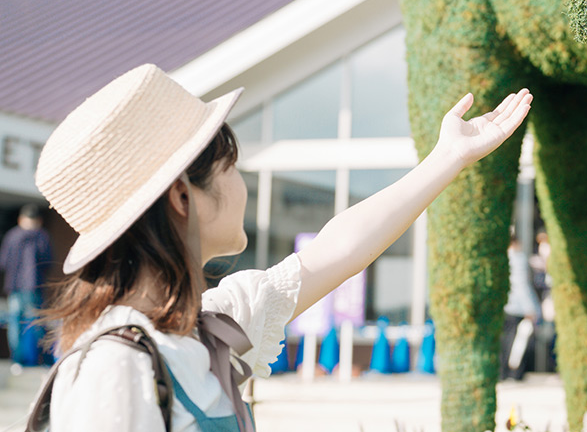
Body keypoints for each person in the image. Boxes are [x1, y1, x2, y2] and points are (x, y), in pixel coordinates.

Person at [28, 64, 531, 431]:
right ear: (184, 196)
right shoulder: (114, 368)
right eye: (232, 165)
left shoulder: (208, 326)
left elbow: (339, 250)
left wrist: (447, 158)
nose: (242, 183)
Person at [0, 204, 52, 368]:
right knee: (35, 324)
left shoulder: (12, 236)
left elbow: (4, 262)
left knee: (15, 323)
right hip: (35, 287)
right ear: (39, 220)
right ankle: (35, 360)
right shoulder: (42, 236)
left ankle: (18, 360)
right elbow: (48, 261)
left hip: (15, 286)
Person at [500, 232, 541, 381]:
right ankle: (514, 372)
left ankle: (504, 371)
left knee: (506, 340)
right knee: (517, 342)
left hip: (506, 306)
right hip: (517, 307)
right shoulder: (517, 258)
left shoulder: (502, 258)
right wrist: (531, 308)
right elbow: (522, 285)